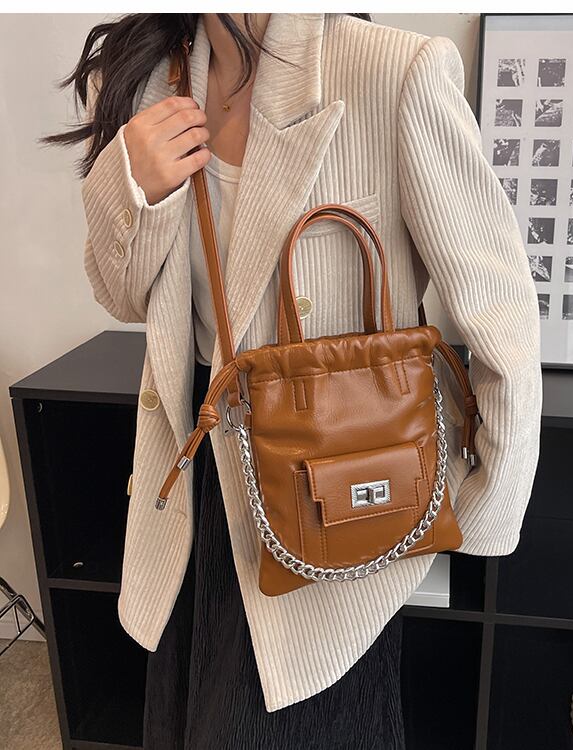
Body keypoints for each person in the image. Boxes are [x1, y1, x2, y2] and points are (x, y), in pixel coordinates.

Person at [50, 12, 543, 749]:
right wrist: (135, 188)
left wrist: (474, 509)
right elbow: (124, 297)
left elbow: (499, 311)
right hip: (196, 484)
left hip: (328, 488)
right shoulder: (145, 76)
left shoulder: (392, 73)